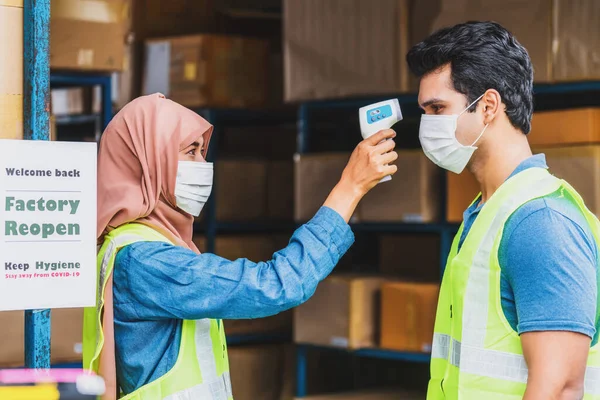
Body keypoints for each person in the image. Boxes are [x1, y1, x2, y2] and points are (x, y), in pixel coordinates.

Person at [82, 93, 398, 400]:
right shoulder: (144, 259)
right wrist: (349, 188)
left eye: (202, 151)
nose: (202, 164)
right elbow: (275, 285)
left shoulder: (145, 243)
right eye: (190, 151)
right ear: (149, 161)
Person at [407, 21, 600, 399]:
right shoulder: (485, 213)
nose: (427, 124)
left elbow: (560, 388)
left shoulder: (539, 221)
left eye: (438, 108)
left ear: (489, 106)